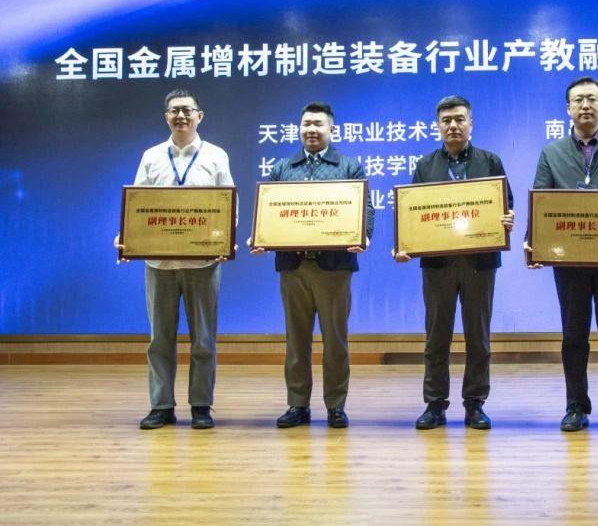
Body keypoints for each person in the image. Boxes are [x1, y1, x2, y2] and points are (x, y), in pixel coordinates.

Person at [526, 77, 598, 432]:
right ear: (568, 109)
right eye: (578, 100)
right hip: (570, 261)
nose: (585, 105)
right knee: (573, 336)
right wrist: (534, 243)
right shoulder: (552, 152)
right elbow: (541, 201)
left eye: (592, 99)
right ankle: (576, 406)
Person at [393, 95, 515, 430]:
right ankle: (435, 404)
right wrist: (405, 245)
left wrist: (507, 219)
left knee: (478, 338)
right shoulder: (426, 165)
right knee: (436, 337)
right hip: (438, 266)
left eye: (460, 119)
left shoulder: (490, 161)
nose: (453, 126)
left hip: (480, 263)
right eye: (446, 120)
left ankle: (475, 404)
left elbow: (507, 203)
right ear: (438, 126)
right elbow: (412, 214)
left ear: (471, 124)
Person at [250, 102, 374, 429]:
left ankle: (336, 406)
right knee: (296, 341)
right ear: (299, 129)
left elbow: (366, 208)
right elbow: (268, 211)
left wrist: (364, 235)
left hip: (335, 267)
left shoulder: (349, 167)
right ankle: (297, 405)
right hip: (293, 267)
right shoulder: (282, 168)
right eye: (306, 124)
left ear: (332, 129)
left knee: (336, 341)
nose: (311, 130)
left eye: (318, 124)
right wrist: (260, 235)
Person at [116, 88, 234, 430]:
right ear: (166, 117)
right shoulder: (152, 156)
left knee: (204, 340)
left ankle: (201, 406)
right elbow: (137, 205)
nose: (181, 116)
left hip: (203, 265)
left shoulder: (216, 156)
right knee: (159, 340)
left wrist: (223, 240)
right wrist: (127, 237)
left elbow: (229, 205)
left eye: (187, 110)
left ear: (200, 116)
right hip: (160, 266)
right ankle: (161, 406)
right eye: (174, 111)